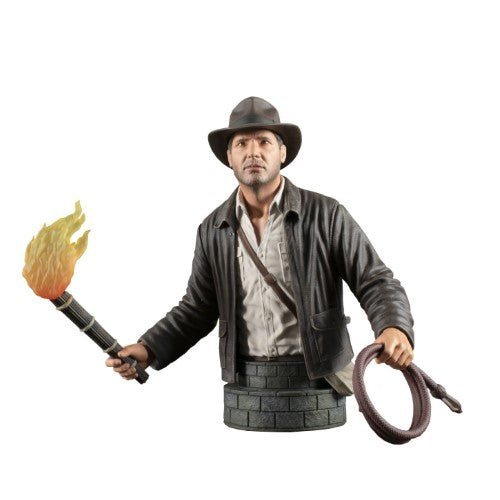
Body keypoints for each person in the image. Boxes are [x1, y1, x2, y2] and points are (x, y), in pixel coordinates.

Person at [106, 96, 414, 397]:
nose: (253, 152)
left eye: (264, 142)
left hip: (320, 383)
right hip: (248, 388)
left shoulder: (326, 215)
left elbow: (374, 279)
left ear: (282, 152)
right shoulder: (213, 229)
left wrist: (393, 327)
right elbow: (197, 309)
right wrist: (149, 348)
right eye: (242, 143)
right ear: (229, 157)